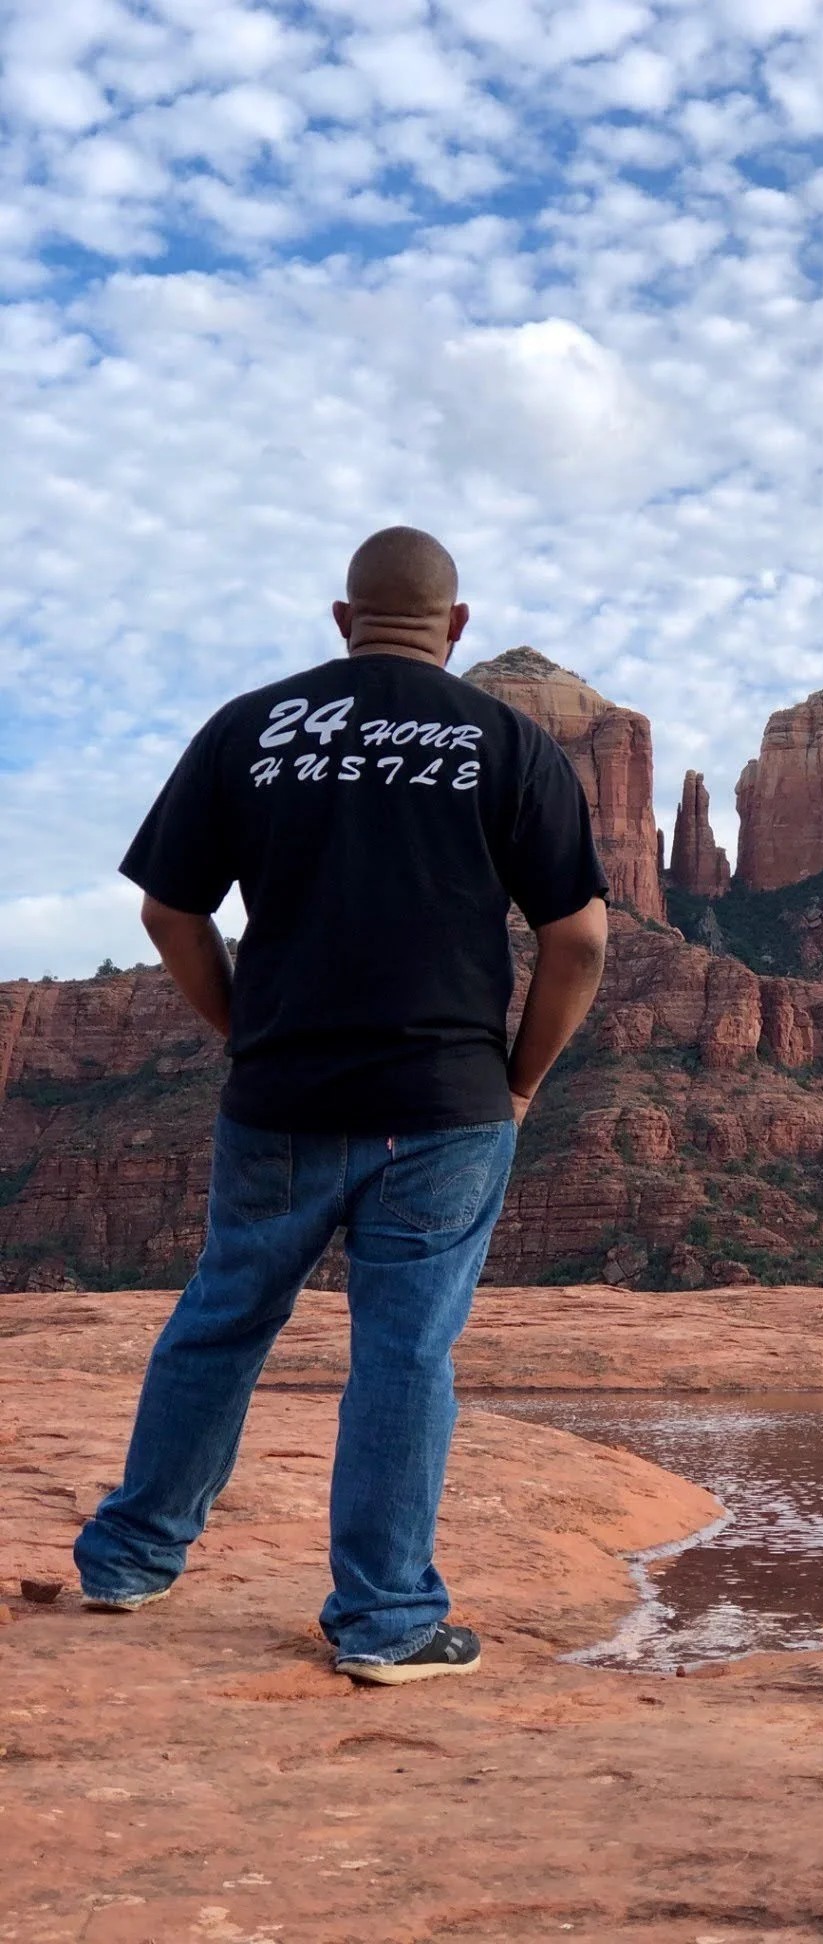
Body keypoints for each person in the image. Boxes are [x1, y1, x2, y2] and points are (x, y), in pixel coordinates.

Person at [73, 527, 609, 1685]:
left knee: (223, 1317)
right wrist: (519, 1081)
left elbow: (171, 913)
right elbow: (580, 939)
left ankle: (128, 1559)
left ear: (341, 618)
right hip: (449, 1104)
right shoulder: (505, 740)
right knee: (404, 1353)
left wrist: (242, 1028)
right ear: (455, 627)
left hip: (282, 1092)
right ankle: (384, 1623)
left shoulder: (250, 728)